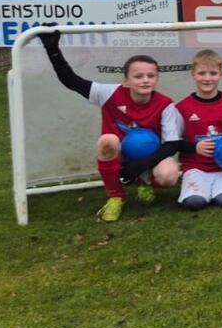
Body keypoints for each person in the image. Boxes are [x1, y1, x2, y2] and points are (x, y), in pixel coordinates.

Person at [37, 27, 179, 222]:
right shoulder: (109, 93)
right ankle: (116, 197)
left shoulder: (166, 104)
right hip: (118, 153)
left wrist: (139, 167)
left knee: (170, 174)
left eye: (150, 76)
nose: (145, 80)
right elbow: (71, 81)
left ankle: (144, 183)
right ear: (126, 81)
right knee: (107, 140)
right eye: (138, 76)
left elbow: (171, 145)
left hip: (148, 156)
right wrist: (53, 50)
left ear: (157, 79)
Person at [155, 49, 222, 211]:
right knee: (194, 202)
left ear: (221, 74)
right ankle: (197, 189)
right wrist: (195, 148)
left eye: (213, 73)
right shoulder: (182, 108)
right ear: (193, 74)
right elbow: (174, 142)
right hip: (195, 167)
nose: (207, 78)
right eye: (202, 73)